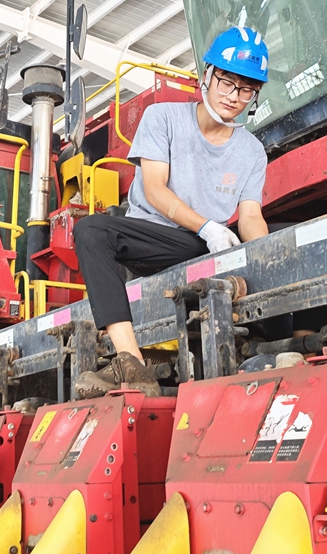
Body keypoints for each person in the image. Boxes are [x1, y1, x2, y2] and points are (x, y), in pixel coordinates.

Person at [72, 27, 271, 398]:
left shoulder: (252, 151)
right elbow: (155, 190)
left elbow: (250, 216)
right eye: (227, 82)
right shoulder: (162, 117)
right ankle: (130, 362)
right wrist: (208, 227)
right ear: (208, 75)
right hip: (156, 238)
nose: (234, 96)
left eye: (247, 90)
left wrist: (265, 256)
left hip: (203, 245)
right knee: (91, 231)